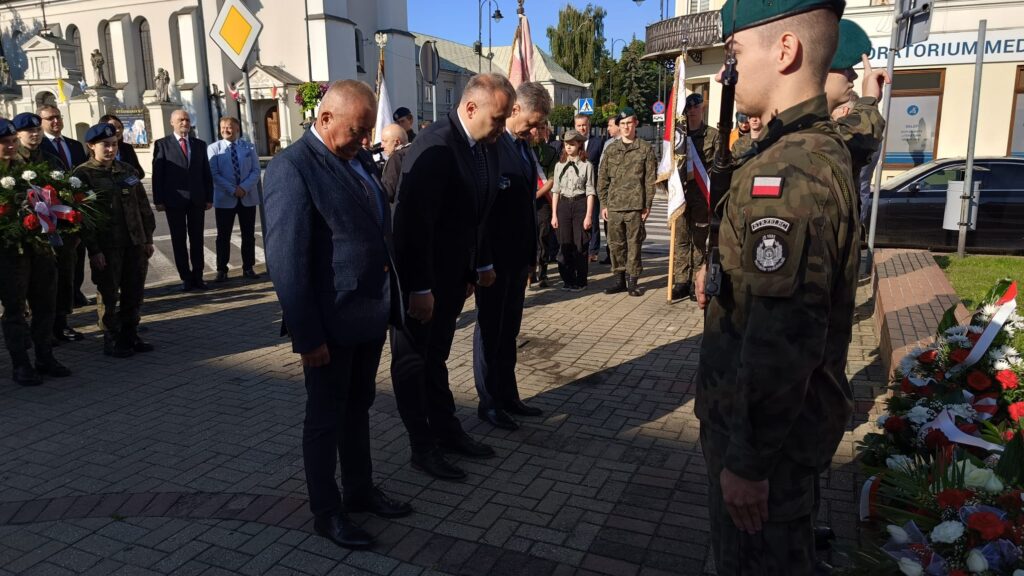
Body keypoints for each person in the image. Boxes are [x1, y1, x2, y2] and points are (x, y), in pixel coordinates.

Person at [693, 1, 857, 574]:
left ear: (786, 50)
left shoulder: (788, 170)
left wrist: (748, 462)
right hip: (776, 438)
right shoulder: (802, 149)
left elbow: (782, 338)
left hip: (765, 451)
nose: (728, 70)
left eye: (735, 52)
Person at [263, 80, 412, 551]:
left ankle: (360, 489)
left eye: (368, 132)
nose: (366, 141)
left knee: (358, 408)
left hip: (367, 315)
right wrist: (307, 337)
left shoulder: (356, 159)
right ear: (325, 119)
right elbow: (287, 262)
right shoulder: (292, 167)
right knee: (325, 419)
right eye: (358, 130)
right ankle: (327, 512)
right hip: (329, 325)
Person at [391, 73, 515, 481]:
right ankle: (422, 447)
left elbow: (478, 215)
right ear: (471, 107)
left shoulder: (483, 146)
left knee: (436, 360)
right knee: (413, 364)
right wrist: (419, 287)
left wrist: (478, 266)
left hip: (452, 280)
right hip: (422, 284)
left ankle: (446, 431)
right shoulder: (435, 146)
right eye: (498, 118)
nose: (502, 128)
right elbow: (412, 224)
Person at [474, 81, 551, 432]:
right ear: (515, 109)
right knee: (490, 334)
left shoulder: (522, 148)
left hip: (518, 259)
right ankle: (489, 402)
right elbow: (483, 213)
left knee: (509, 332)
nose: (535, 131)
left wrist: (531, 256)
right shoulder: (491, 146)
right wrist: (483, 262)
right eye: (532, 123)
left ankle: (508, 395)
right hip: (495, 262)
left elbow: (527, 207)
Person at [74, 123, 157, 358]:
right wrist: (94, 250)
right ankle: (111, 337)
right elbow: (83, 218)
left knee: (134, 291)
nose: (111, 150)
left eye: (114, 145)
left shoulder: (127, 170)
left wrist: (148, 238)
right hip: (107, 246)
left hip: (135, 242)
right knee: (108, 294)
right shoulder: (82, 175)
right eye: (105, 145)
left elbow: (143, 206)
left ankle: (130, 334)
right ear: (91, 146)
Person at [0, 118, 71, 385]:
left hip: (39, 249)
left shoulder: (27, 171)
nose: (11, 146)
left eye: (12, 141)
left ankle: (45, 356)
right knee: (15, 310)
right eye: (5, 143)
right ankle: (21, 364)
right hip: (9, 255)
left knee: (45, 304)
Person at [825, 19, 888, 219]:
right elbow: (851, 144)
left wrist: (869, 101)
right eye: (846, 67)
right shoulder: (807, 132)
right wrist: (868, 100)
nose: (853, 75)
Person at [152, 109, 214, 291]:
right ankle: (186, 277)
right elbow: (158, 174)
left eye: (187, 119)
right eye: (180, 120)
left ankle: (198, 276)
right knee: (178, 240)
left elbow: (206, 173)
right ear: (172, 122)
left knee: (197, 239)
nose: (184, 123)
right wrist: (158, 199)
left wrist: (209, 197)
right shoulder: (162, 144)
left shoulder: (199, 144)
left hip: (197, 200)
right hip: (174, 200)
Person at [597, 107, 656, 297]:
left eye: (629, 123)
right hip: (614, 206)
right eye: (622, 124)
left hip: (635, 206)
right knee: (616, 245)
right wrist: (604, 204)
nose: (626, 127)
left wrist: (647, 205)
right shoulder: (611, 149)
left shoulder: (645, 148)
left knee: (634, 245)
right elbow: (602, 179)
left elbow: (650, 180)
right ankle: (619, 280)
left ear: (635, 123)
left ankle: (632, 282)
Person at [38, 105, 90, 308]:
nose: (56, 121)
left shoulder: (74, 145)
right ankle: (60, 300)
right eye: (50, 118)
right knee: (59, 257)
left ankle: (76, 292)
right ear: (41, 122)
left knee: (79, 252)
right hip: (53, 210)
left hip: (77, 206)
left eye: (58, 117)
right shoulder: (40, 147)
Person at [672, 93, 720, 302]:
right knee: (681, 238)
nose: (691, 110)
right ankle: (681, 281)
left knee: (699, 240)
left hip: (702, 195)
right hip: (681, 195)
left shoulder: (713, 135)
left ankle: (695, 281)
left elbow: (718, 166)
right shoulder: (678, 136)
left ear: (702, 108)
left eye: (695, 107)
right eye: (688, 107)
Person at [207, 117, 261, 282]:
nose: (225, 130)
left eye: (229, 127)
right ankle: (222, 270)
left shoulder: (248, 147)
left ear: (237, 129)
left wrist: (243, 188)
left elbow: (256, 170)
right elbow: (214, 174)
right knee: (223, 236)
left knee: (248, 235)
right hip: (225, 199)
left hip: (246, 197)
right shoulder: (213, 148)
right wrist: (233, 189)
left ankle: (248, 267)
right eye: (222, 127)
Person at [550, 130, 596, 291]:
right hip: (563, 205)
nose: (568, 147)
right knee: (564, 244)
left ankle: (581, 280)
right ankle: (567, 279)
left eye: (572, 144)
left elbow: (590, 192)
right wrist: (554, 214)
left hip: (580, 204)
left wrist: (588, 215)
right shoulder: (559, 165)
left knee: (580, 243)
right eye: (566, 144)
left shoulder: (587, 165)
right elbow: (555, 191)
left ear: (579, 145)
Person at [574, 114, 605, 263]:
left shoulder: (598, 142)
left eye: (584, 125)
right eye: (579, 125)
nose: (582, 128)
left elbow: (602, 165)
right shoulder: (571, 143)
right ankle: (579, 248)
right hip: (576, 189)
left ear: (589, 126)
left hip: (593, 186)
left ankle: (593, 250)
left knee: (592, 218)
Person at [530, 123, 557, 289]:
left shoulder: (551, 152)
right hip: (524, 200)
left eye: (542, 128)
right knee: (528, 237)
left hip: (542, 200)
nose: (538, 131)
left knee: (543, 236)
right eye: (535, 128)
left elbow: (552, 179)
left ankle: (543, 272)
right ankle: (530, 271)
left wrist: (537, 195)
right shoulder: (521, 149)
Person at [100, 114, 145, 178]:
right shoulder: (97, 149)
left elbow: (140, 172)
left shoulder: (128, 148)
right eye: (113, 128)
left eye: (119, 127)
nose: (118, 130)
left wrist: (132, 174)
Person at [379, 123, 410, 203]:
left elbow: (389, 192)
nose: (382, 146)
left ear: (397, 142)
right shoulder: (414, 151)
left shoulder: (396, 157)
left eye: (385, 141)